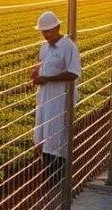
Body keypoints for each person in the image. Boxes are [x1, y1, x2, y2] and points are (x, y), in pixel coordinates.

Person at [30, 11, 81, 179]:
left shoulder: (68, 46)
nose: (46, 35)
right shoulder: (44, 48)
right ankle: (49, 174)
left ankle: (58, 177)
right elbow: (45, 66)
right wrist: (38, 72)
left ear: (58, 27)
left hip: (60, 100)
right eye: (43, 32)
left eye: (49, 31)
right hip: (44, 99)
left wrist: (48, 79)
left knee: (56, 136)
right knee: (43, 134)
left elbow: (73, 73)